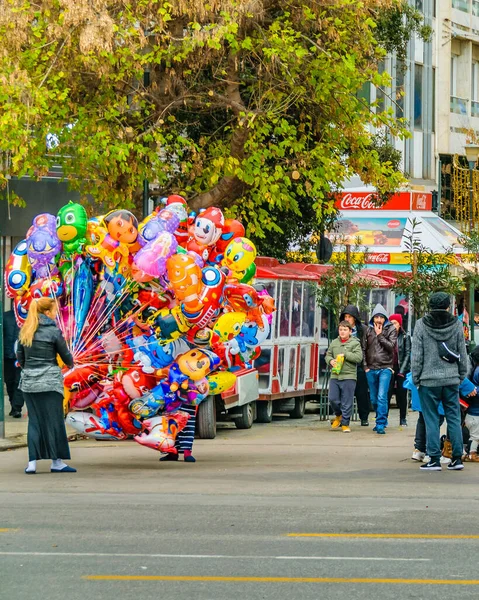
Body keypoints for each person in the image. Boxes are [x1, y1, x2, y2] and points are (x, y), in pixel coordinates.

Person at [17, 298, 76, 474]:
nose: (56, 313)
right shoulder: (53, 331)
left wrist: (30, 370)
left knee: (34, 421)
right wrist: (70, 364)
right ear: (48, 312)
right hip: (50, 382)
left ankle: (32, 463)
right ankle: (56, 462)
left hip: (29, 383)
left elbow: (21, 358)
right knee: (54, 421)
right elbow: (66, 356)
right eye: (54, 310)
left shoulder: (25, 330)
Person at [411, 292, 467, 472]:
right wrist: (461, 375)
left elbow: (417, 354)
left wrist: (416, 377)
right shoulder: (457, 325)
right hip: (451, 379)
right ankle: (457, 458)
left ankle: (434, 459)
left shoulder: (421, 325)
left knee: (431, 419)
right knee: (454, 418)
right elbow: (462, 352)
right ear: (447, 307)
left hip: (428, 380)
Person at [364, 304, 397, 435]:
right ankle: (380, 417)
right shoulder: (368, 330)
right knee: (373, 398)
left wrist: (379, 335)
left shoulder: (391, 329)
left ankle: (380, 424)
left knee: (382, 396)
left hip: (385, 367)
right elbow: (363, 348)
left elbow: (391, 347)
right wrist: (365, 366)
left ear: (385, 319)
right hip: (371, 368)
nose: (379, 320)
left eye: (381, 317)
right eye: (376, 317)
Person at [325, 320, 363, 433]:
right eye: (341, 329)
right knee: (332, 399)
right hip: (335, 375)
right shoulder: (334, 342)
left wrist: (346, 354)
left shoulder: (355, 343)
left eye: (345, 330)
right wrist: (330, 361)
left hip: (349, 375)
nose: (342, 332)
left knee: (347, 400)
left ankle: (345, 423)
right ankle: (339, 415)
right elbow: (328, 355)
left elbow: (358, 358)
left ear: (350, 331)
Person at [339, 305, 370, 426]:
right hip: (345, 366)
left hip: (360, 365)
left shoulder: (363, 330)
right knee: (345, 394)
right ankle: (344, 418)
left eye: (350, 317)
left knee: (361, 393)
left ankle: (364, 417)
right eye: (345, 317)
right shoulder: (342, 329)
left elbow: (368, 348)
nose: (347, 319)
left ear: (355, 318)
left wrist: (367, 365)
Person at [388, 313, 411, 426]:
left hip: (402, 368)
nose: (393, 325)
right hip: (389, 367)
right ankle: (384, 417)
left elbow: (407, 354)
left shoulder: (405, 337)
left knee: (402, 394)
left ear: (400, 324)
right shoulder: (386, 336)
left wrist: (402, 370)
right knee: (387, 393)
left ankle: (403, 418)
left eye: (395, 323)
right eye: (391, 323)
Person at [3, 309, 24, 418]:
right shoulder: (5, 316)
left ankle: (17, 408)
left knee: (19, 382)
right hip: (7, 356)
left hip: (21, 357)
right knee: (9, 382)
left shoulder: (26, 316)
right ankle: (13, 404)